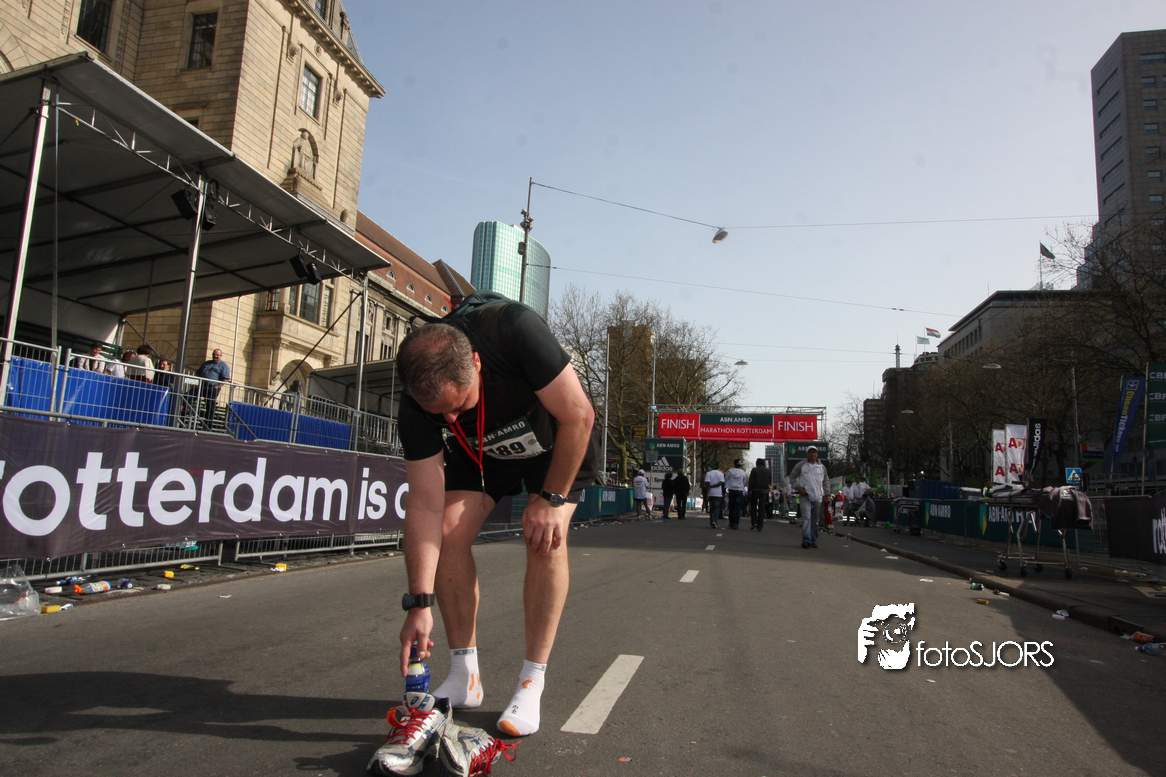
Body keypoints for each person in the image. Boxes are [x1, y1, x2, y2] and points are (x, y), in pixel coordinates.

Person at [383, 298, 600, 774]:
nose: (450, 419)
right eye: (440, 415)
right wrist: (419, 603)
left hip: (555, 443)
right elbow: (424, 504)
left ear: (477, 364)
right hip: (484, 452)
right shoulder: (417, 399)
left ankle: (531, 681)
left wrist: (553, 500)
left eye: (459, 405)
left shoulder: (515, 331)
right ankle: (465, 674)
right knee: (448, 533)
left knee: (543, 537)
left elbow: (579, 416)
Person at [790, 445, 830, 549]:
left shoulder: (821, 467)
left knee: (815, 521)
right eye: (810, 452)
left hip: (817, 496)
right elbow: (792, 477)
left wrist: (827, 494)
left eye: (814, 452)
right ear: (807, 454)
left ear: (817, 454)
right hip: (805, 495)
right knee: (806, 518)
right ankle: (806, 540)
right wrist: (798, 487)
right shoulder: (802, 465)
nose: (812, 454)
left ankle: (813, 539)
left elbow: (826, 481)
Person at [192, 348, 231, 428]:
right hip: (202, 386)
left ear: (220, 356)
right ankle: (184, 412)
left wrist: (218, 387)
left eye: (217, 355)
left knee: (210, 406)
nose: (215, 356)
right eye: (214, 354)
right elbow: (198, 373)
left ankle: (208, 425)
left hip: (212, 388)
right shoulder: (206, 363)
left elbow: (225, 379)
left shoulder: (223, 366)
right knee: (188, 396)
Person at [747, 458, 772, 532]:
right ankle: (760, 525)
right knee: (762, 508)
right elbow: (769, 481)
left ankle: (753, 522)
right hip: (764, 491)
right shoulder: (768, 471)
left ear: (757, 463)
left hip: (755, 490)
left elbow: (751, 481)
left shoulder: (754, 470)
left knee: (753, 507)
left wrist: (749, 491)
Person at [724, 459, 748, 529]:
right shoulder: (743, 472)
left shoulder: (730, 471)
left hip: (731, 490)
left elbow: (726, 479)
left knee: (731, 506)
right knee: (738, 508)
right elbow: (745, 481)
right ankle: (736, 523)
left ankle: (731, 522)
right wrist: (741, 486)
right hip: (739, 490)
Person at [703, 461, 725, 529]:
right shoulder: (721, 474)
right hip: (718, 494)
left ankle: (712, 521)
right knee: (717, 508)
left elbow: (707, 483)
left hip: (711, 493)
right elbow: (721, 482)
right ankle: (714, 520)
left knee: (711, 508)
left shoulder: (708, 473)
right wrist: (714, 486)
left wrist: (708, 492)